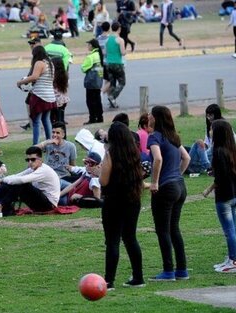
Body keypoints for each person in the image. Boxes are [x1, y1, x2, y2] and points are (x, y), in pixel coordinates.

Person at [147, 105, 191, 281]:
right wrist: (176, 175)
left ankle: (168, 271)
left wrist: (155, 181)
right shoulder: (173, 137)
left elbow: (157, 158)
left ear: (156, 118)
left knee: (162, 230)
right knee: (174, 230)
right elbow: (186, 157)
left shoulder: (154, 137)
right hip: (180, 187)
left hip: (165, 189)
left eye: (150, 114)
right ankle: (182, 270)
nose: (148, 116)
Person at [100, 122, 145, 289]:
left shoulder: (110, 154)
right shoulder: (134, 152)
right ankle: (138, 277)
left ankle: (109, 280)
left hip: (113, 201)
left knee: (112, 241)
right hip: (132, 200)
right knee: (130, 237)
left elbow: (104, 180)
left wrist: (99, 172)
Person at [202, 120, 236, 273]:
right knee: (233, 229)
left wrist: (209, 189)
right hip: (234, 195)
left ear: (218, 132)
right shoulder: (231, 149)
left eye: (212, 129)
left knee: (229, 231)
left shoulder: (219, 152)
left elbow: (221, 178)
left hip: (225, 198)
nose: (210, 132)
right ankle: (231, 258)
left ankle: (234, 262)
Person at [0, 146, 60, 218]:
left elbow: (22, 180)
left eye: (33, 159)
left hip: (49, 205)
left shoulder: (44, 170)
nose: (30, 162)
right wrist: (3, 181)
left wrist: (3, 180)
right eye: (28, 160)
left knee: (21, 184)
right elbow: (17, 176)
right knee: (12, 184)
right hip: (39, 201)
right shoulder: (33, 169)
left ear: (40, 160)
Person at [17, 45, 57, 145]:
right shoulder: (50, 63)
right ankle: (49, 142)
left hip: (40, 95)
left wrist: (21, 82)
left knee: (36, 121)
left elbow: (34, 77)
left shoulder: (39, 63)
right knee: (46, 119)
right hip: (50, 96)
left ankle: (35, 144)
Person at [37, 121, 77, 186]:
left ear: (63, 134)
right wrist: (46, 142)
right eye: (53, 132)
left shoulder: (70, 146)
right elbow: (31, 150)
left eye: (57, 133)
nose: (54, 135)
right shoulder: (48, 144)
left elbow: (73, 166)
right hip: (49, 176)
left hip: (64, 176)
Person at [81, 39, 104, 124]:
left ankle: (92, 118)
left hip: (91, 82)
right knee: (98, 100)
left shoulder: (91, 56)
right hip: (98, 81)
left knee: (90, 101)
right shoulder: (100, 55)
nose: (87, 46)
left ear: (91, 46)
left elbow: (83, 68)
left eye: (88, 45)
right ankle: (100, 117)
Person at [105, 22, 126, 109]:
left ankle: (112, 102)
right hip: (117, 63)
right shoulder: (120, 40)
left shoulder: (107, 39)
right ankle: (112, 97)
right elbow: (123, 52)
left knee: (112, 83)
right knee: (122, 82)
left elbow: (106, 52)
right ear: (119, 29)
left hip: (108, 63)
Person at [52, 57, 70, 124]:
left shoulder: (53, 76)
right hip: (64, 99)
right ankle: (63, 132)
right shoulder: (65, 74)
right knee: (61, 118)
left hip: (56, 100)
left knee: (56, 120)